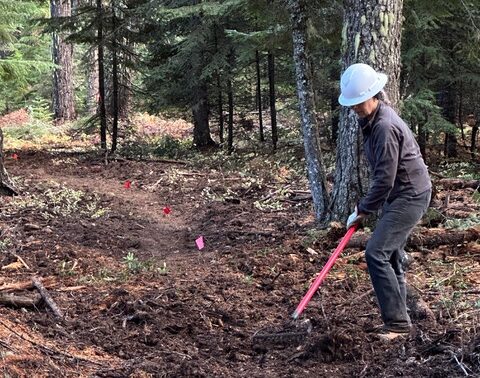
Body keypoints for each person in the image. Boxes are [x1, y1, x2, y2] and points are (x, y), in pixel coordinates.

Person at [338, 63, 432, 341]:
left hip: (410, 195)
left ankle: (397, 324)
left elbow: (384, 180)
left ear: (374, 94)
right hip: (401, 194)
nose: (354, 108)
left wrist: (363, 210)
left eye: (358, 102)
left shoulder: (384, 127)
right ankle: (400, 318)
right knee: (388, 253)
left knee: (375, 253)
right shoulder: (372, 120)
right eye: (351, 103)